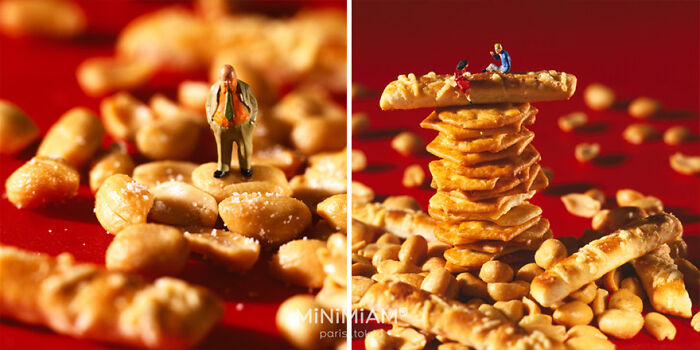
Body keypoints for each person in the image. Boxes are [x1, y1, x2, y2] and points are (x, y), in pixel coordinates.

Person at [205, 64, 258, 178]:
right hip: (221, 125)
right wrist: (211, 120)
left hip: (242, 124)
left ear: (236, 78)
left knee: (245, 147)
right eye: (225, 80)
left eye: (231, 80)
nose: (228, 83)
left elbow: (253, 104)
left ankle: (245, 168)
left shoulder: (245, 88)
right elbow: (209, 105)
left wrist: (252, 120)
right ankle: (223, 168)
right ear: (220, 79)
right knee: (223, 148)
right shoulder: (214, 89)